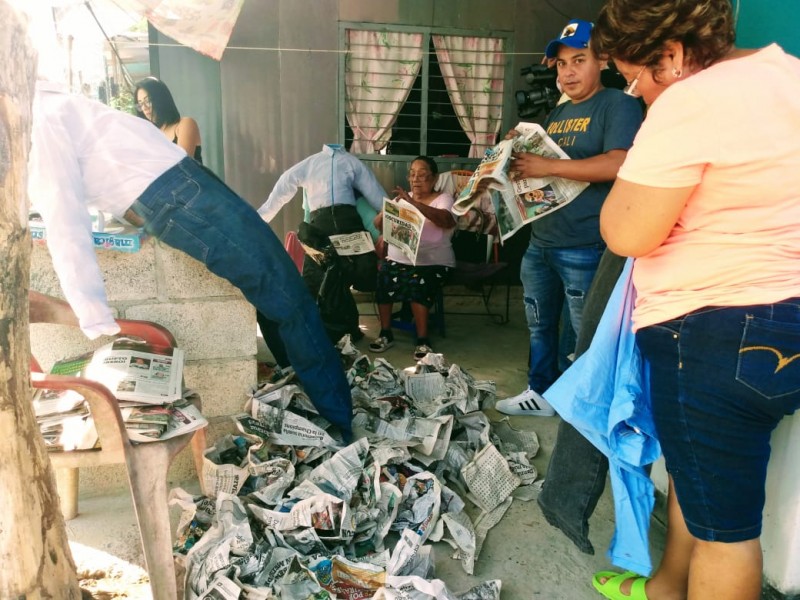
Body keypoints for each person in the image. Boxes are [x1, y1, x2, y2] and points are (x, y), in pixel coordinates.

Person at [590, 0, 800, 598]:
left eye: (632, 78)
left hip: (714, 335)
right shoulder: (791, 76)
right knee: (704, 482)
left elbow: (627, 232)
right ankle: (665, 585)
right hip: (788, 320)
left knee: (728, 537)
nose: (634, 94)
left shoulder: (690, 101)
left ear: (674, 56)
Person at [29, 80, 354, 442]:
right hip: (178, 194)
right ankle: (341, 419)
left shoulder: (47, 105)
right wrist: (90, 310)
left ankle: (319, 396)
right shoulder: (38, 118)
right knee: (291, 300)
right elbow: (62, 213)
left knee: (281, 295)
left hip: (181, 187)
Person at [495, 18, 643, 417]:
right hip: (541, 241)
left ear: (603, 61)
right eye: (561, 64)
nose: (568, 71)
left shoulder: (619, 104)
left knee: (584, 333)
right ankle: (540, 393)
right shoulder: (557, 115)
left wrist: (547, 166)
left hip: (585, 243)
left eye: (579, 60)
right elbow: (539, 168)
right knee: (541, 326)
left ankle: (583, 406)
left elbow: (619, 162)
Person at [258, 144, 388, 342]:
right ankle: (331, 331)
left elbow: (378, 198)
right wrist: (261, 218)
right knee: (316, 279)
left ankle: (344, 331)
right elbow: (377, 195)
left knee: (339, 276)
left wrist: (394, 221)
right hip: (331, 226)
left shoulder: (340, 163)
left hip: (339, 225)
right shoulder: (333, 163)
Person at [369, 156, 456, 360]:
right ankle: (386, 333)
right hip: (399, 260)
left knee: (418, 282)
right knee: (383, 279)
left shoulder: (444, 198)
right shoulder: (402, 199)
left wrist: (413, 203)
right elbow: (378, 225)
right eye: (412, 174)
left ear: (434, 179)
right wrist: (383, 217)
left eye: (422, 175)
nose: (416, 179)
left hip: (434, 262)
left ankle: (423, 339)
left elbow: (446, 220)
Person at [134, 77, 202, 163]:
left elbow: (183, 166)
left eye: (148, 101)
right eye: (140, 104)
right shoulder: (150, 134)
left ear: (161, 99)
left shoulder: (185, 124)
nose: (144, 108)